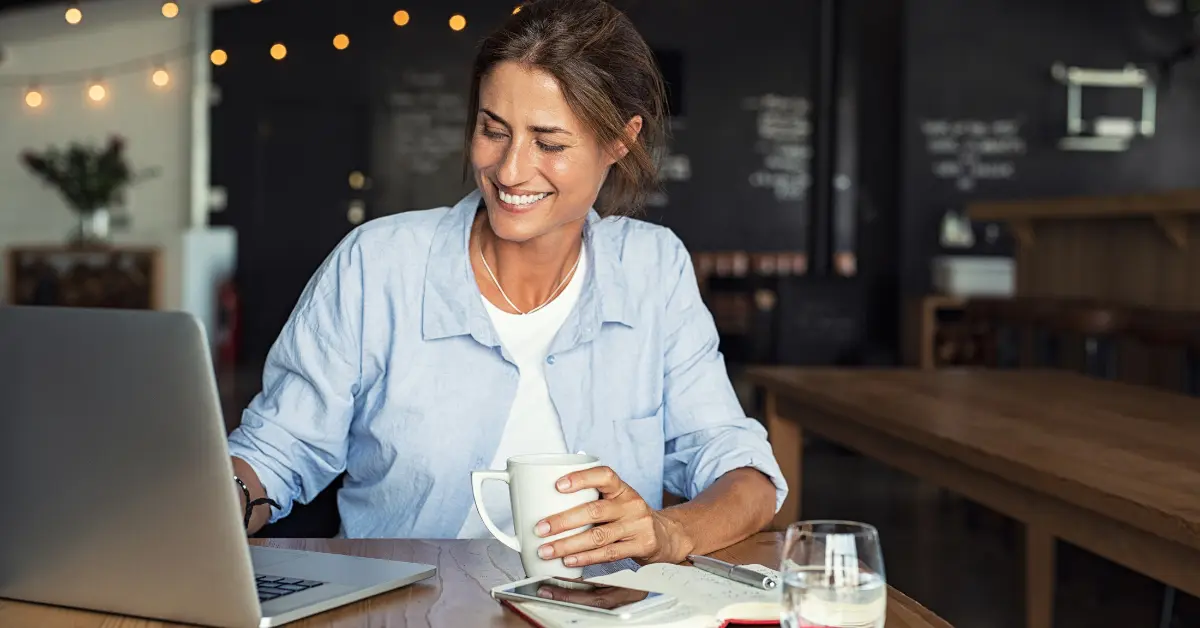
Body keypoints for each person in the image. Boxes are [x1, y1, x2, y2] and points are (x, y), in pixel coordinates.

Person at [227, 0, 787, 569]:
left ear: (620, 141)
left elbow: (744, 475)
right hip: (409, 611)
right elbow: (277, 450)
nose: (511, 170)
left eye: (549, 143)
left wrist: (670, 532)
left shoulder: (652, 269)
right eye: (494, 131)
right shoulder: (379, 263)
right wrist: (214, 501)